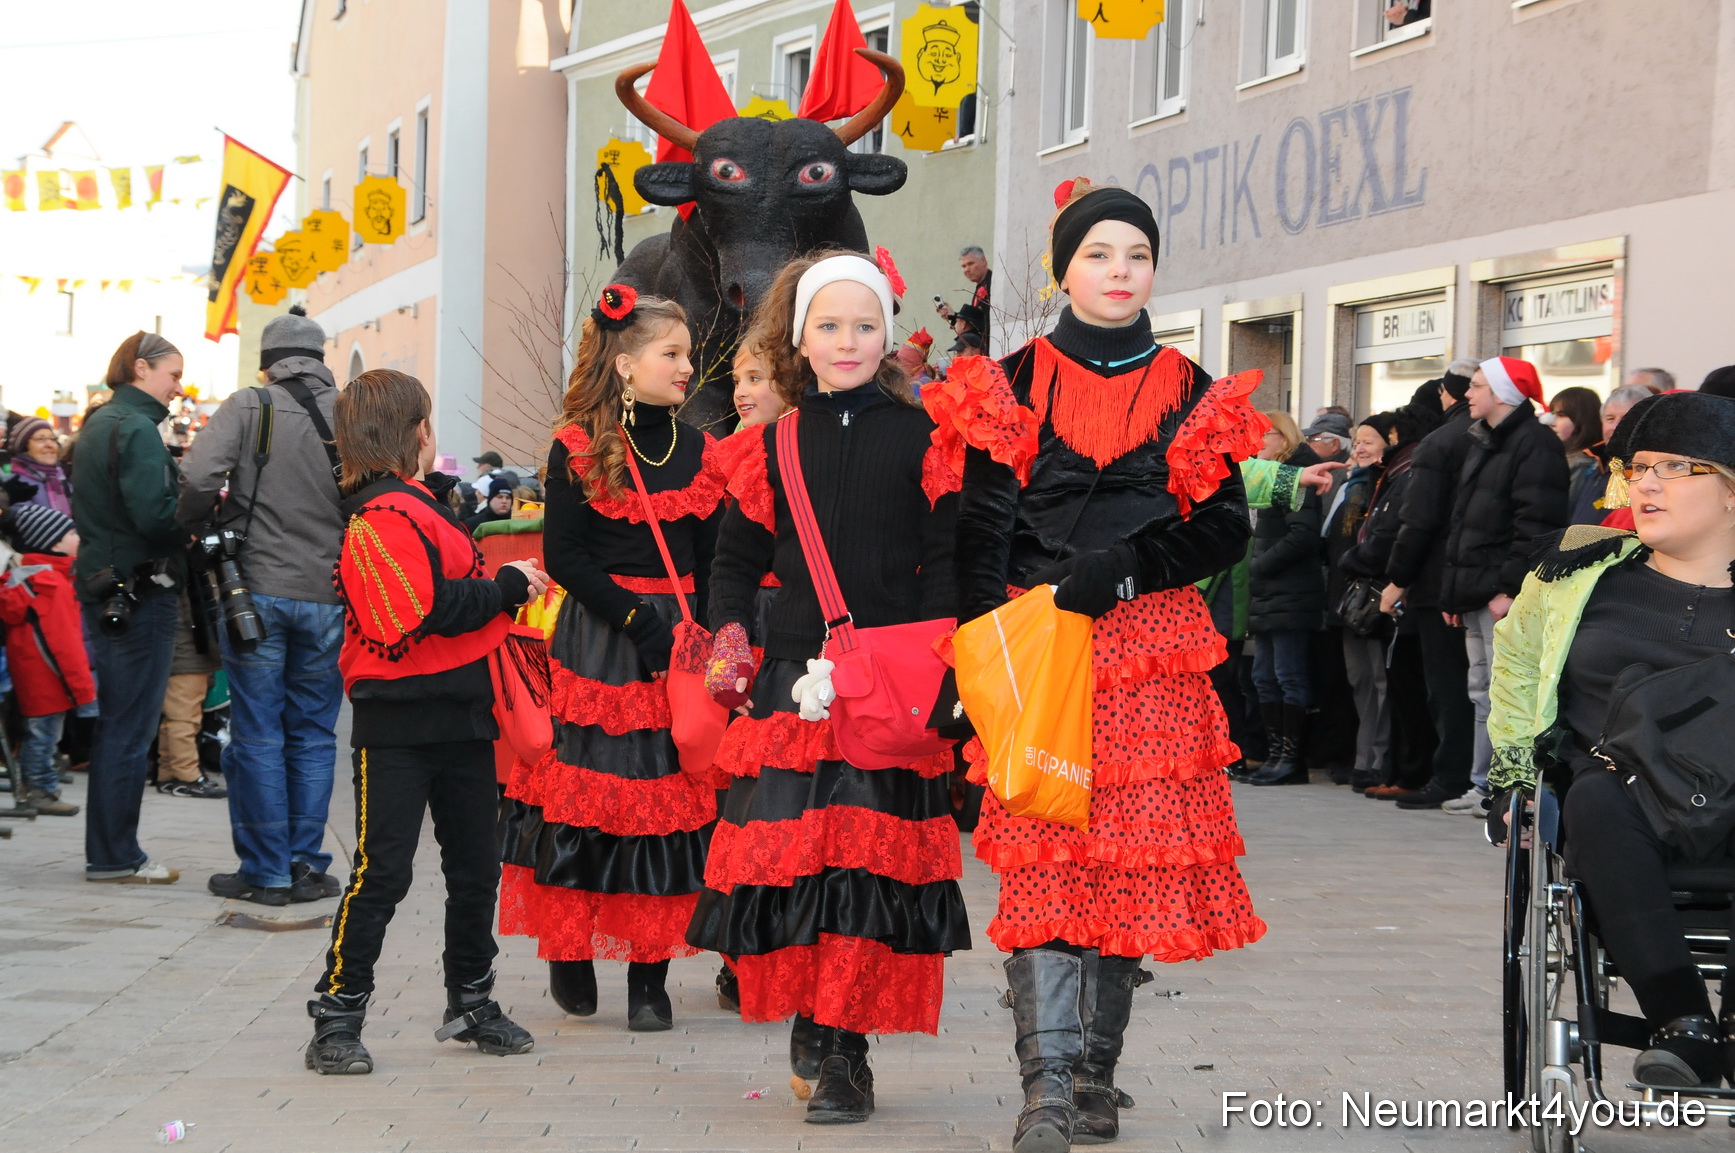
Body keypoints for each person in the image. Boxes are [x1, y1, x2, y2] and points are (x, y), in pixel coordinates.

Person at [946, 179, 1265, 1150]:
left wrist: (1127, 568)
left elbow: (1223, 527)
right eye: (1097, 254)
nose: (1117, 272)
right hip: (1036, 652)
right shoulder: (1003, 383)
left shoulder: (1194, 391)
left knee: (1124, 872)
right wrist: (974, 668)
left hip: (1149, 659)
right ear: (1062, 269)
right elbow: (976, 540)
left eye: (1134, 255)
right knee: (1045, 864)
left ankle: (1092, 1075)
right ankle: (1042, 1083)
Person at [693, 252, 969, 1125]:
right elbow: (733, 561)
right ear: (798, 339)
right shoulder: (770, 443)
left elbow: (945, 564)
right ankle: (813, 1023)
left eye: (863, 323)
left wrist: (938, 668)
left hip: (887, 687)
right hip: (790, 690)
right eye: (828, 325)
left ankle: (844, 1048)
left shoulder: (926, 433)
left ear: (886, 332)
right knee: (796, 867)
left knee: (863, 868)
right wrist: (731, 634)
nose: (847, 340)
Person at [1487, 390, 1735, 1089]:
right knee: (1596, 794)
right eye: (1637, 466)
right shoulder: (1579, 564)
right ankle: (1680, 1022)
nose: (1643, 483)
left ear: (1729, 492)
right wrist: (1511, 773)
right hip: (1617, 801)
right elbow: (1513, 668)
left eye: (1675, 467)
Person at [497, 287, 725, 1033]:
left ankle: (649, 978)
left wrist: (715, 634)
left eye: (687, 354)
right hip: (600, 638)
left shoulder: (698, 449)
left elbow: (715, 556)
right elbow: (565, 554)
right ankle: (569, 951)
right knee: (581, 798)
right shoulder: (577, 444)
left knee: (663, 806)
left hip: (676, 643)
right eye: (672, 354)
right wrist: (634, 619)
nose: (687, 367)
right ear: (625, 364)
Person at [306, 368, 545, 1076]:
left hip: (459, 711)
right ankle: (337, 1012)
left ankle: (471, 998)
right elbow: (413, 612)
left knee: (475, 866)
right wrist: (503, 587)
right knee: (383, 871)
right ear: (414, 432)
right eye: (428, 421)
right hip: (401, 723)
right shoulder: (379, 516)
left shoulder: (407, 506)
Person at [179, 308, 347, 906]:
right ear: (323, 358)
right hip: (331, 596)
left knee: (256, 734)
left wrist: (193, 523)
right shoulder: (352, 410)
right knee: (312, 734)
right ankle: (307, 864)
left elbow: (200, 474)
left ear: (267, 363)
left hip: (257, 592)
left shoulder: (252, 404)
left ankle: (267, 871)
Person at [1425, 356, 1568, 816]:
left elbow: (1536, 524)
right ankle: (1483, 784)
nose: (1468, 393)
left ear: (1503, 394)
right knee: (1481, 692)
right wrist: (1455, 593)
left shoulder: (1534, 444)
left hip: (1501, 596)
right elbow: (1464, 522)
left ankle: (1502, 789)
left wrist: (1511, 588)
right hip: (1479, 592)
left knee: (1505, 694)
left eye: (1478, 386)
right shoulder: (1486, 440)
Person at [73, 331, 189, 885]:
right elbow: (156, 517)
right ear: (141, 368)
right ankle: (115, 855)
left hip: (109, 587)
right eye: (172, 375)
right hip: (142, 592)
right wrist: (195, 516)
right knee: (130, 727)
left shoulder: (100, 422)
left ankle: (111, 851)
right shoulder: (138, 429)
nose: (178, 387)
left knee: (118, 725)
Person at [1380, 361, 1479, 812]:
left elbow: (1419, 520)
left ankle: (1450, 776)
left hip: (1440, 581)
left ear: (1447, 393)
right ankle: (1462, 775)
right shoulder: (1479, 438)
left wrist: (1398, 578)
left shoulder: (1444, 441)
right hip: (1463, 578)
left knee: (1449, 687)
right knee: (1467, 686)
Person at [1339, 387, 1443, 796]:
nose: (1364, 449)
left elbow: (1399, 532)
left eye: (1374, 440)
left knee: (1395, 686)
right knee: (1368, 684)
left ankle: (1398, 769)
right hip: (1381, 588)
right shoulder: (1394, 473)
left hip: (1397, 591)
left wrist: (1361, 562)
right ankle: (1384, 766)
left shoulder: (1409, 471)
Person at [1243, 412, 1324, 786]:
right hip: (1272, 593)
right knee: (1264, 677)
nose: (1257, 443)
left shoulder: (1299, 470)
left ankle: (1291, 759)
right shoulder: (1274, 473)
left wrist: (1258, 567)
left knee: (1288, 676)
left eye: (1263, 435)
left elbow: (1302, 535)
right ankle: (1277, 755)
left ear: (1283, 436)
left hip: (1290, 591)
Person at [0, 504, 92, 817]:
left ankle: (41, 787)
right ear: (53, 544)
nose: (78, 537)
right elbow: (64, 643)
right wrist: (80, 686)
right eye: (71, 533)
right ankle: (40, 790)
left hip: (35, 672)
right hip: (50, 675)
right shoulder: (50, 584)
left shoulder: (30, 576)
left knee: (39, 733)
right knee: (44, 736)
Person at [1325, 416, 1390, 792]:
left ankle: (1377, 759)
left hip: (1372, 599)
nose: (1360, 447)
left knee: (1378, 680)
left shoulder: (1380, 486)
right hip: (1345, 600)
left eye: (1369, 441)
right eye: (1357, 441)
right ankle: (1363, 757)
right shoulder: (1349, 485)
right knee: (1359, 681)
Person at [153, 592, 227, 800]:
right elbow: (201, 615)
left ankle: (168, 774)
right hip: (188, 656)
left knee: (174, 719)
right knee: (185, 719)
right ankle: (188, 778)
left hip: (180, 654)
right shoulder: (190, 577)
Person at [1547, 386, 1604, 527]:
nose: (1552, 422)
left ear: (1582, 419)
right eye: (1552, 414)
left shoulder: (1583, 464)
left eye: (1560, 415)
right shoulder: (1559, 456)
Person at [6, 417, 72, 515]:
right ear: (24, 447)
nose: (50, 445)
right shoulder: (17, 487)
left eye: (52, 439)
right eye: (40, 439)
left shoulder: (62, 479)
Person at [731, 340, 788, 429]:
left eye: (754, 379)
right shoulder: (736, 438)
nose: (738, 393)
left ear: (787, 383)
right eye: (736, 382)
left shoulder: (805, 437)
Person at [935, 244, 991, 324]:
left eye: (970, 264)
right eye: (963, 266)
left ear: (983, 260)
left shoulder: (993, 284)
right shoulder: (980, 286)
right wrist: (952, 315)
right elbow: (976, 322)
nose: (967, 269)